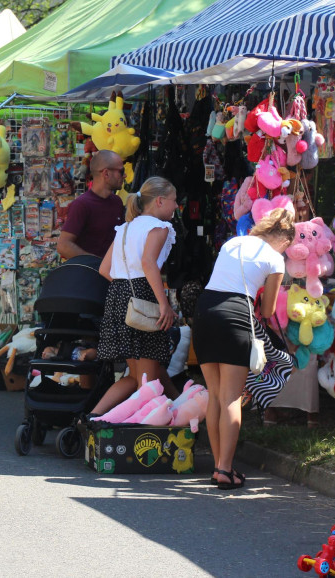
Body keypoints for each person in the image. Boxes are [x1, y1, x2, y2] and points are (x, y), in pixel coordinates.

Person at [192, 208, 296, 490]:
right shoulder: (275, 258)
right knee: (231, 398)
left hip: (203, 313)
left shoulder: (232, 242)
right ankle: (225, 469)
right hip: (236, 316)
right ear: (283, 239)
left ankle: (219, 466)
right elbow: (268, 309)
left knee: (215, 395)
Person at [90, 176, 179, 415]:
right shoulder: (160, 228)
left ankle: (94, 416)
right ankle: (141, 427)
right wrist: (163, 303)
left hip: (118, 296)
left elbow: (104, 270)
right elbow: (149, 264)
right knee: (147, 382)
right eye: (174, 200)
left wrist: (126, 287)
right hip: (144, 295)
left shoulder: (126, 228)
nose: (176, 206)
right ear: (160, 201)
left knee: (135, 375)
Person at [56, 150, 126, 260]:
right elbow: (63, 245)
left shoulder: (117, 201)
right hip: (88, 274)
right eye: (121, 171)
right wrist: (95, 264)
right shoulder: (82, 204)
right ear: (106, 173)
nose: (125, 175)